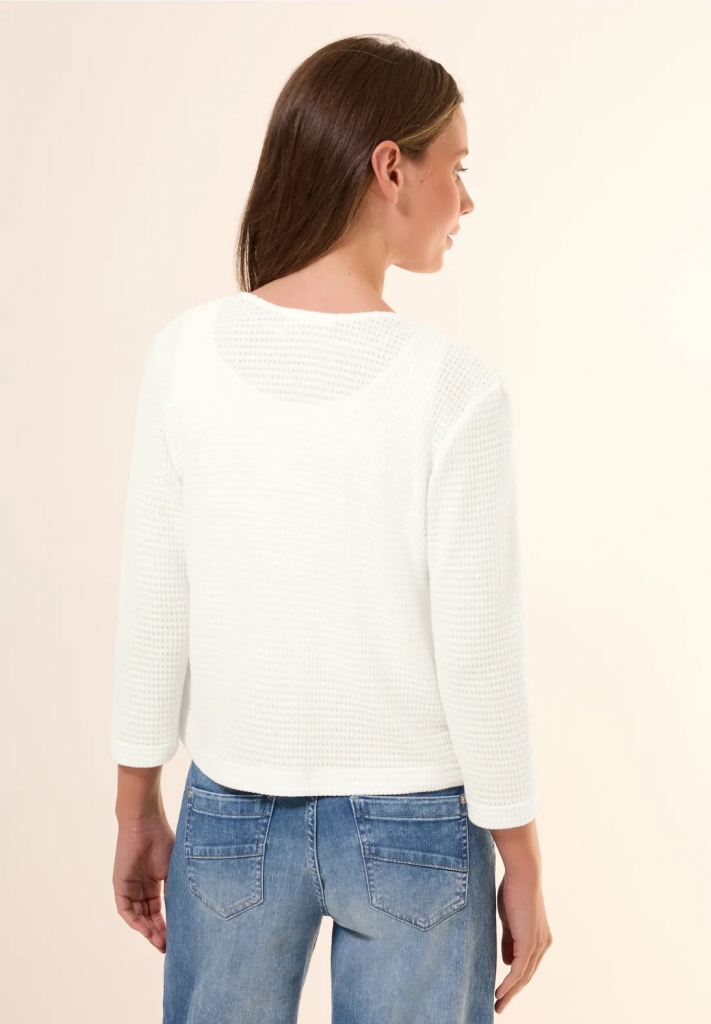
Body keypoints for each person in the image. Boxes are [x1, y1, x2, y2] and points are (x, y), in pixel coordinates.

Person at [111, 33, 552, 1023]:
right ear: (392, 167)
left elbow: (154, 603)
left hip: (229, 814)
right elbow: (478, 650)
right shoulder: (456, 391)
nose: (467, 201)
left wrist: (135, 803)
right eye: (458, 168)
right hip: (419, 828)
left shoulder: (185, 357)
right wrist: (520, 855)